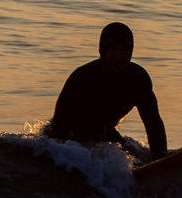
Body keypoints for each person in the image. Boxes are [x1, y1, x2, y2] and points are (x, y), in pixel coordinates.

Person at [45, 22, 168, 155]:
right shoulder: (83, 78)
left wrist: (162, 160)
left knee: (132, 153)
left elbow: (153, 124)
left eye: (124, 50)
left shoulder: (138, 79)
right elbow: (58, 129)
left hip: (105, 134)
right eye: (113, 49)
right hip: (71, 140)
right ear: (103, 51)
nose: (119, 56)